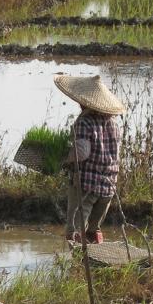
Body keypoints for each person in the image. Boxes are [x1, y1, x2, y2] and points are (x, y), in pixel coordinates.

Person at [55, 74, 125, 246]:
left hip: (86, 186)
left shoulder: (84, 122)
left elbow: (82, 152)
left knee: (76, 229)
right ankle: (96, 258)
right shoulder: (114, 124)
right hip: (108, 187)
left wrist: (62, 158)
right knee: (94, 228)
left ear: (83, 102)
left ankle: (79, 264)